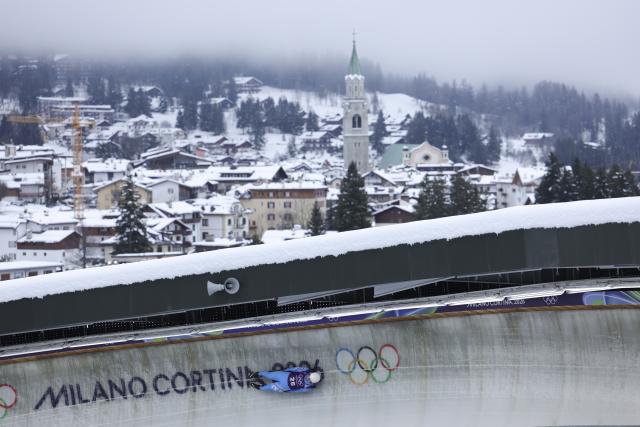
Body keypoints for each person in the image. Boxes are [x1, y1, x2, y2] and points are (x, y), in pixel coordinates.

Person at [252, 367, 321, 392]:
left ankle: (258, 386)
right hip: (284, 379)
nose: (308, 377)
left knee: (269, 386)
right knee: (269, 377)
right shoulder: (305, 370)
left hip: (284, 383)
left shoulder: (308, 387)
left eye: (309, 378)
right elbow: (295, 369)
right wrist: (285, 371)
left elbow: (297, 390)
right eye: (309, 375)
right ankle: (257, 375)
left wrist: (285, 371)